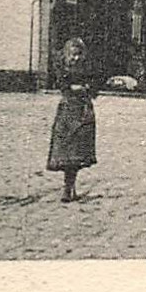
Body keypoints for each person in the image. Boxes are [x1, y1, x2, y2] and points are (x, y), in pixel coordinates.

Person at [46, 38, 98, 203]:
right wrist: (79, 88)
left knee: (78, 152)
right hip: (68, 112)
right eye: (73, 54)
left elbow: (95, 88)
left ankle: (70, 186)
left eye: (79, 54)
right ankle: (68, 188)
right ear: (68, 54)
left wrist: (87, 89)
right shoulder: (62, 69)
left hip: (83, 111)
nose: (76, 58)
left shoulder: (88, 69)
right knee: (66, 150)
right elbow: (64, 87)